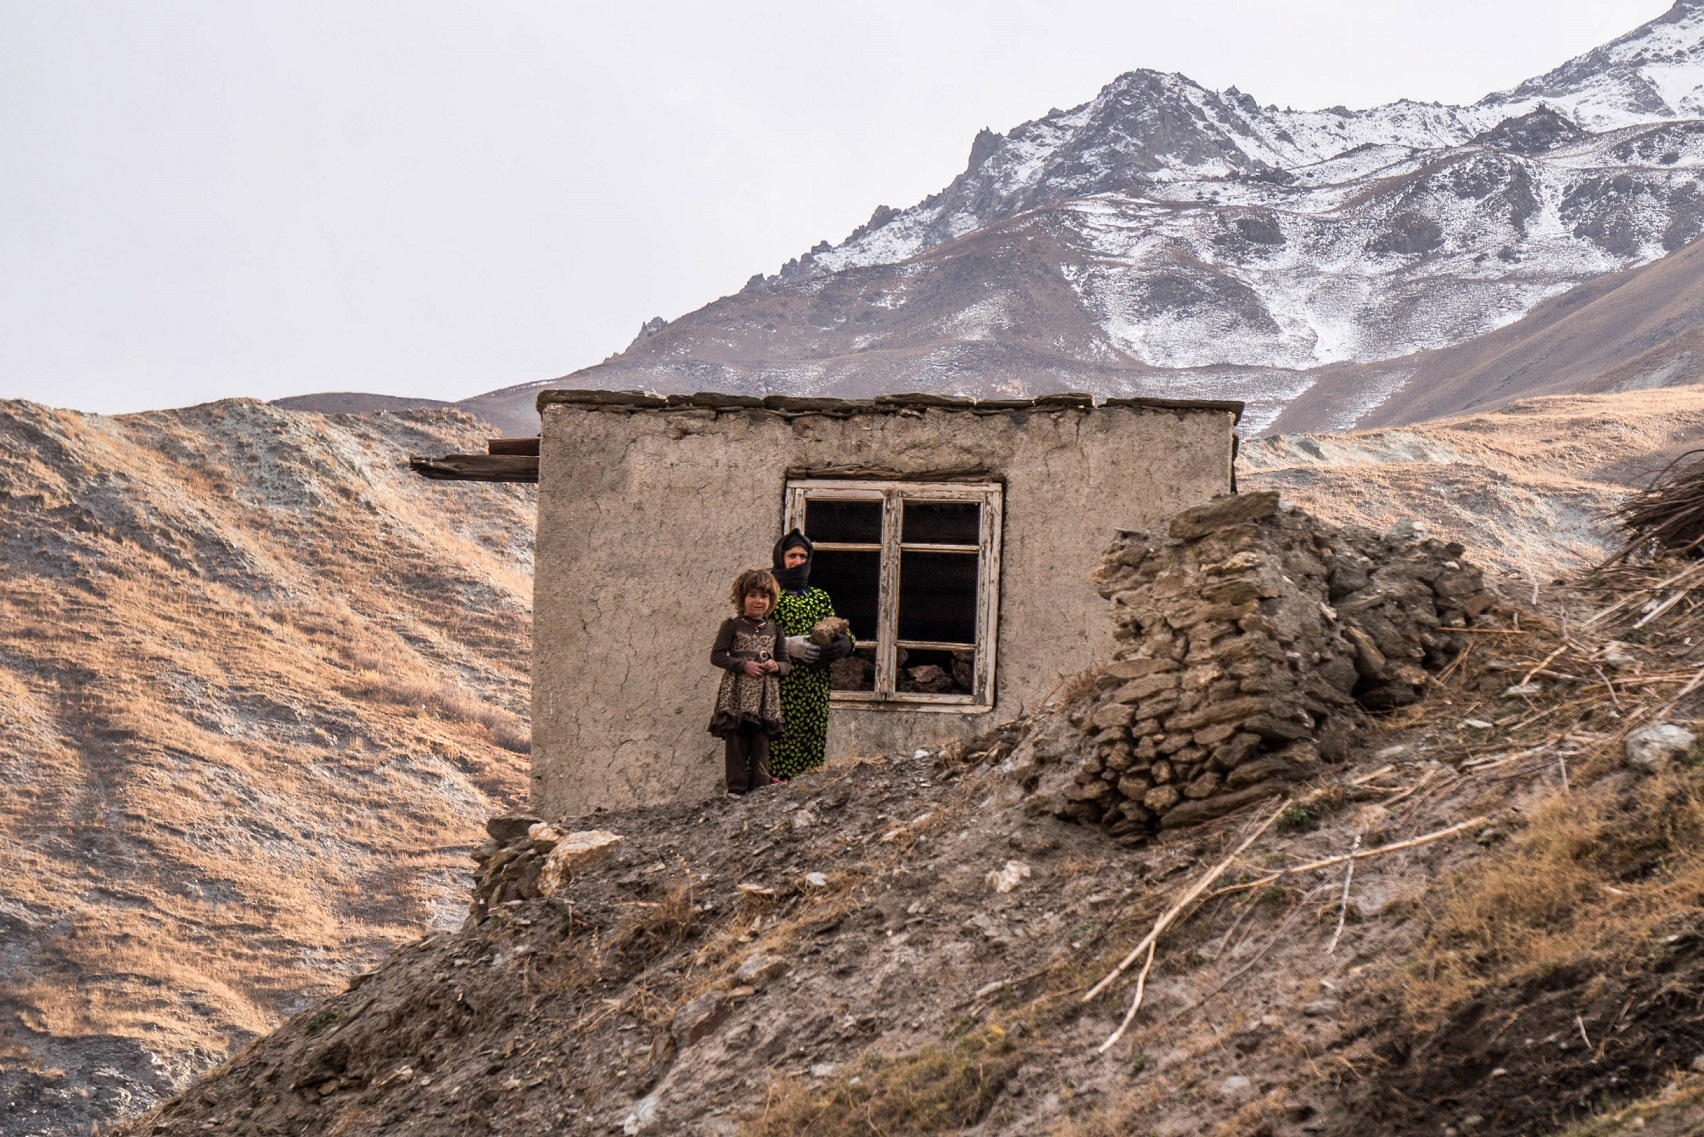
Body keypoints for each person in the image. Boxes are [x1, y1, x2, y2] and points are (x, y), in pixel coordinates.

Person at [768, 530, 855, 779]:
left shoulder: (818, 597)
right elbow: (748, 636)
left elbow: (841, 627)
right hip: (779, 688)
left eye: (803, 556)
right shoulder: (767, 594)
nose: (797, 562)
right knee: (777, 748)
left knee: (809, 753)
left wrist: (844, 644)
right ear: (780, 557)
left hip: (813, 689)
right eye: (792, 555)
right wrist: (785, 646)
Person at [708, 569, 791, 795]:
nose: (758, 601)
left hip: (765, 700)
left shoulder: (776, 630)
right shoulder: (732, 626)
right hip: (736, 697)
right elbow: (717, 656)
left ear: (771, 600)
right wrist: (743, 665)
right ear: (741, 598)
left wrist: (776, 666)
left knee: (760, 745)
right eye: (752, 595)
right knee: (736, 744)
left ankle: (760, 794)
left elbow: (785, 662)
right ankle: (735, 792)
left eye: (764, 596)